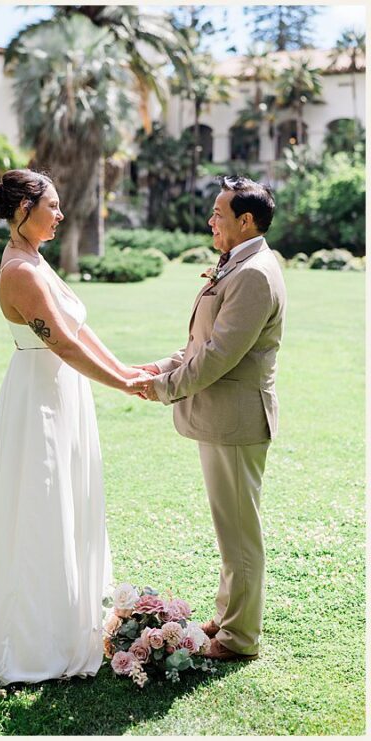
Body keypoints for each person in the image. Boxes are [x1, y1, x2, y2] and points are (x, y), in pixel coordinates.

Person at [0, 170, 148, 685]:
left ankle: (69, 612)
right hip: (41, 400)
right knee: (41, 505)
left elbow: (80, 328)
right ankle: (31, 638)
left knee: (66, 501)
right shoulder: (21, 272)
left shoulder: (36, 258)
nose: (59, 214)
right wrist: (120, 386)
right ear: (21, 212)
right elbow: (63, 344)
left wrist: (126, 369)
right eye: (51, 206)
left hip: (63, 390)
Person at [126, 176, 286, 662]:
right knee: (230, 528)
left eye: (219, 214)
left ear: (246, 220)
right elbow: (202, 344)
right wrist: (161, 366)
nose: (210, 221)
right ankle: (228, 615)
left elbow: (219, 356)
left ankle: (240, 640)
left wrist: (162, 388)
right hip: (222, 418)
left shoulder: (255, 273)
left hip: (237, 421)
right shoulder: (237, 264)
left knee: (240, 534)